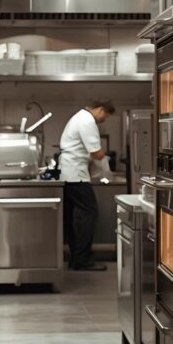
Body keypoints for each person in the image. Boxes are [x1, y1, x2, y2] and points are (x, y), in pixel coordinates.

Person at [59, 99, 116, 271]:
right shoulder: (87, 121)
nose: (104, 120)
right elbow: (96, 153)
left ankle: (76, 257)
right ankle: (82, 259)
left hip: (69, 173)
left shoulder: (79, 117)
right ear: (100, 110)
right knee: (90, 212)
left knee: (73, 217)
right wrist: (106, 168)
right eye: (105, 116)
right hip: (75, 175)